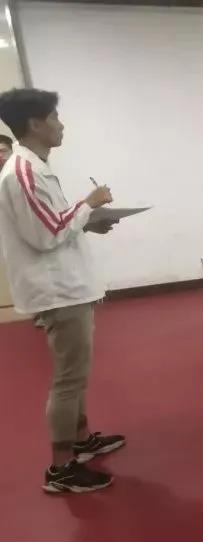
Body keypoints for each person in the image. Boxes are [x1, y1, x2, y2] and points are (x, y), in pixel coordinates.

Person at [0, 88, 125, 493]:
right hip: (57, 291)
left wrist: (88, 223)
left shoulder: (36, 167)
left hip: (68, 286)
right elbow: (47, 233)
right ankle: (61, 469)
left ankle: (81, 441)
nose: (61, 124)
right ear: (35, 123)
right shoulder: (23, 173)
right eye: (55, 117)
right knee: (69, 379)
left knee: (75, 374)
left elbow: (51, 225)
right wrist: (89, 204)